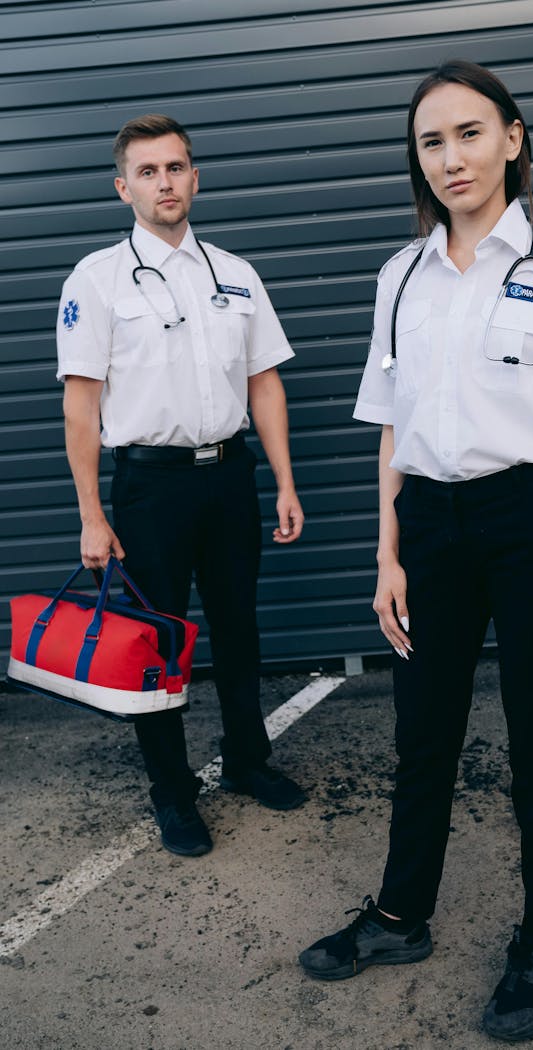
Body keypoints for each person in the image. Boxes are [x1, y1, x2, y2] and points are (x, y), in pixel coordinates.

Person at [299, 61, 533, 1041]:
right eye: (431, 140)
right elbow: (391, 428)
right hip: (431, 526)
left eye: (470, 133)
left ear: (513, 140)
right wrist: (387, 554)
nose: (451, 157)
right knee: (422, 735)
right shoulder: (402, 276)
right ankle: (401, 916)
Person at [57, 114, 306, 859]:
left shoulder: (236, 274)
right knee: (155, 646)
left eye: (176, 167)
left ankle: (248, 761)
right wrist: (91, 515)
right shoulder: (96, 281)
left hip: (230, 479)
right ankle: (173, 793)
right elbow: (80, 405)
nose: (165, 182)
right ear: (123, 187)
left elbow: (264, 384)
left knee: (239, 632)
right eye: (148, 171)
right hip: (149, 491)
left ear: (195, 177)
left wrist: (284, 481)